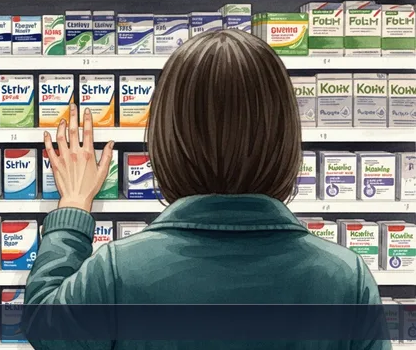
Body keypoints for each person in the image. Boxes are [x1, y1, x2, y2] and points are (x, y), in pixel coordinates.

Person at [24, 30, 389, 349]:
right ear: (285, 137)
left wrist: (72, 208)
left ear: (167, 138)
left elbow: (45, 325)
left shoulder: (118, 272)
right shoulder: (345, 279)